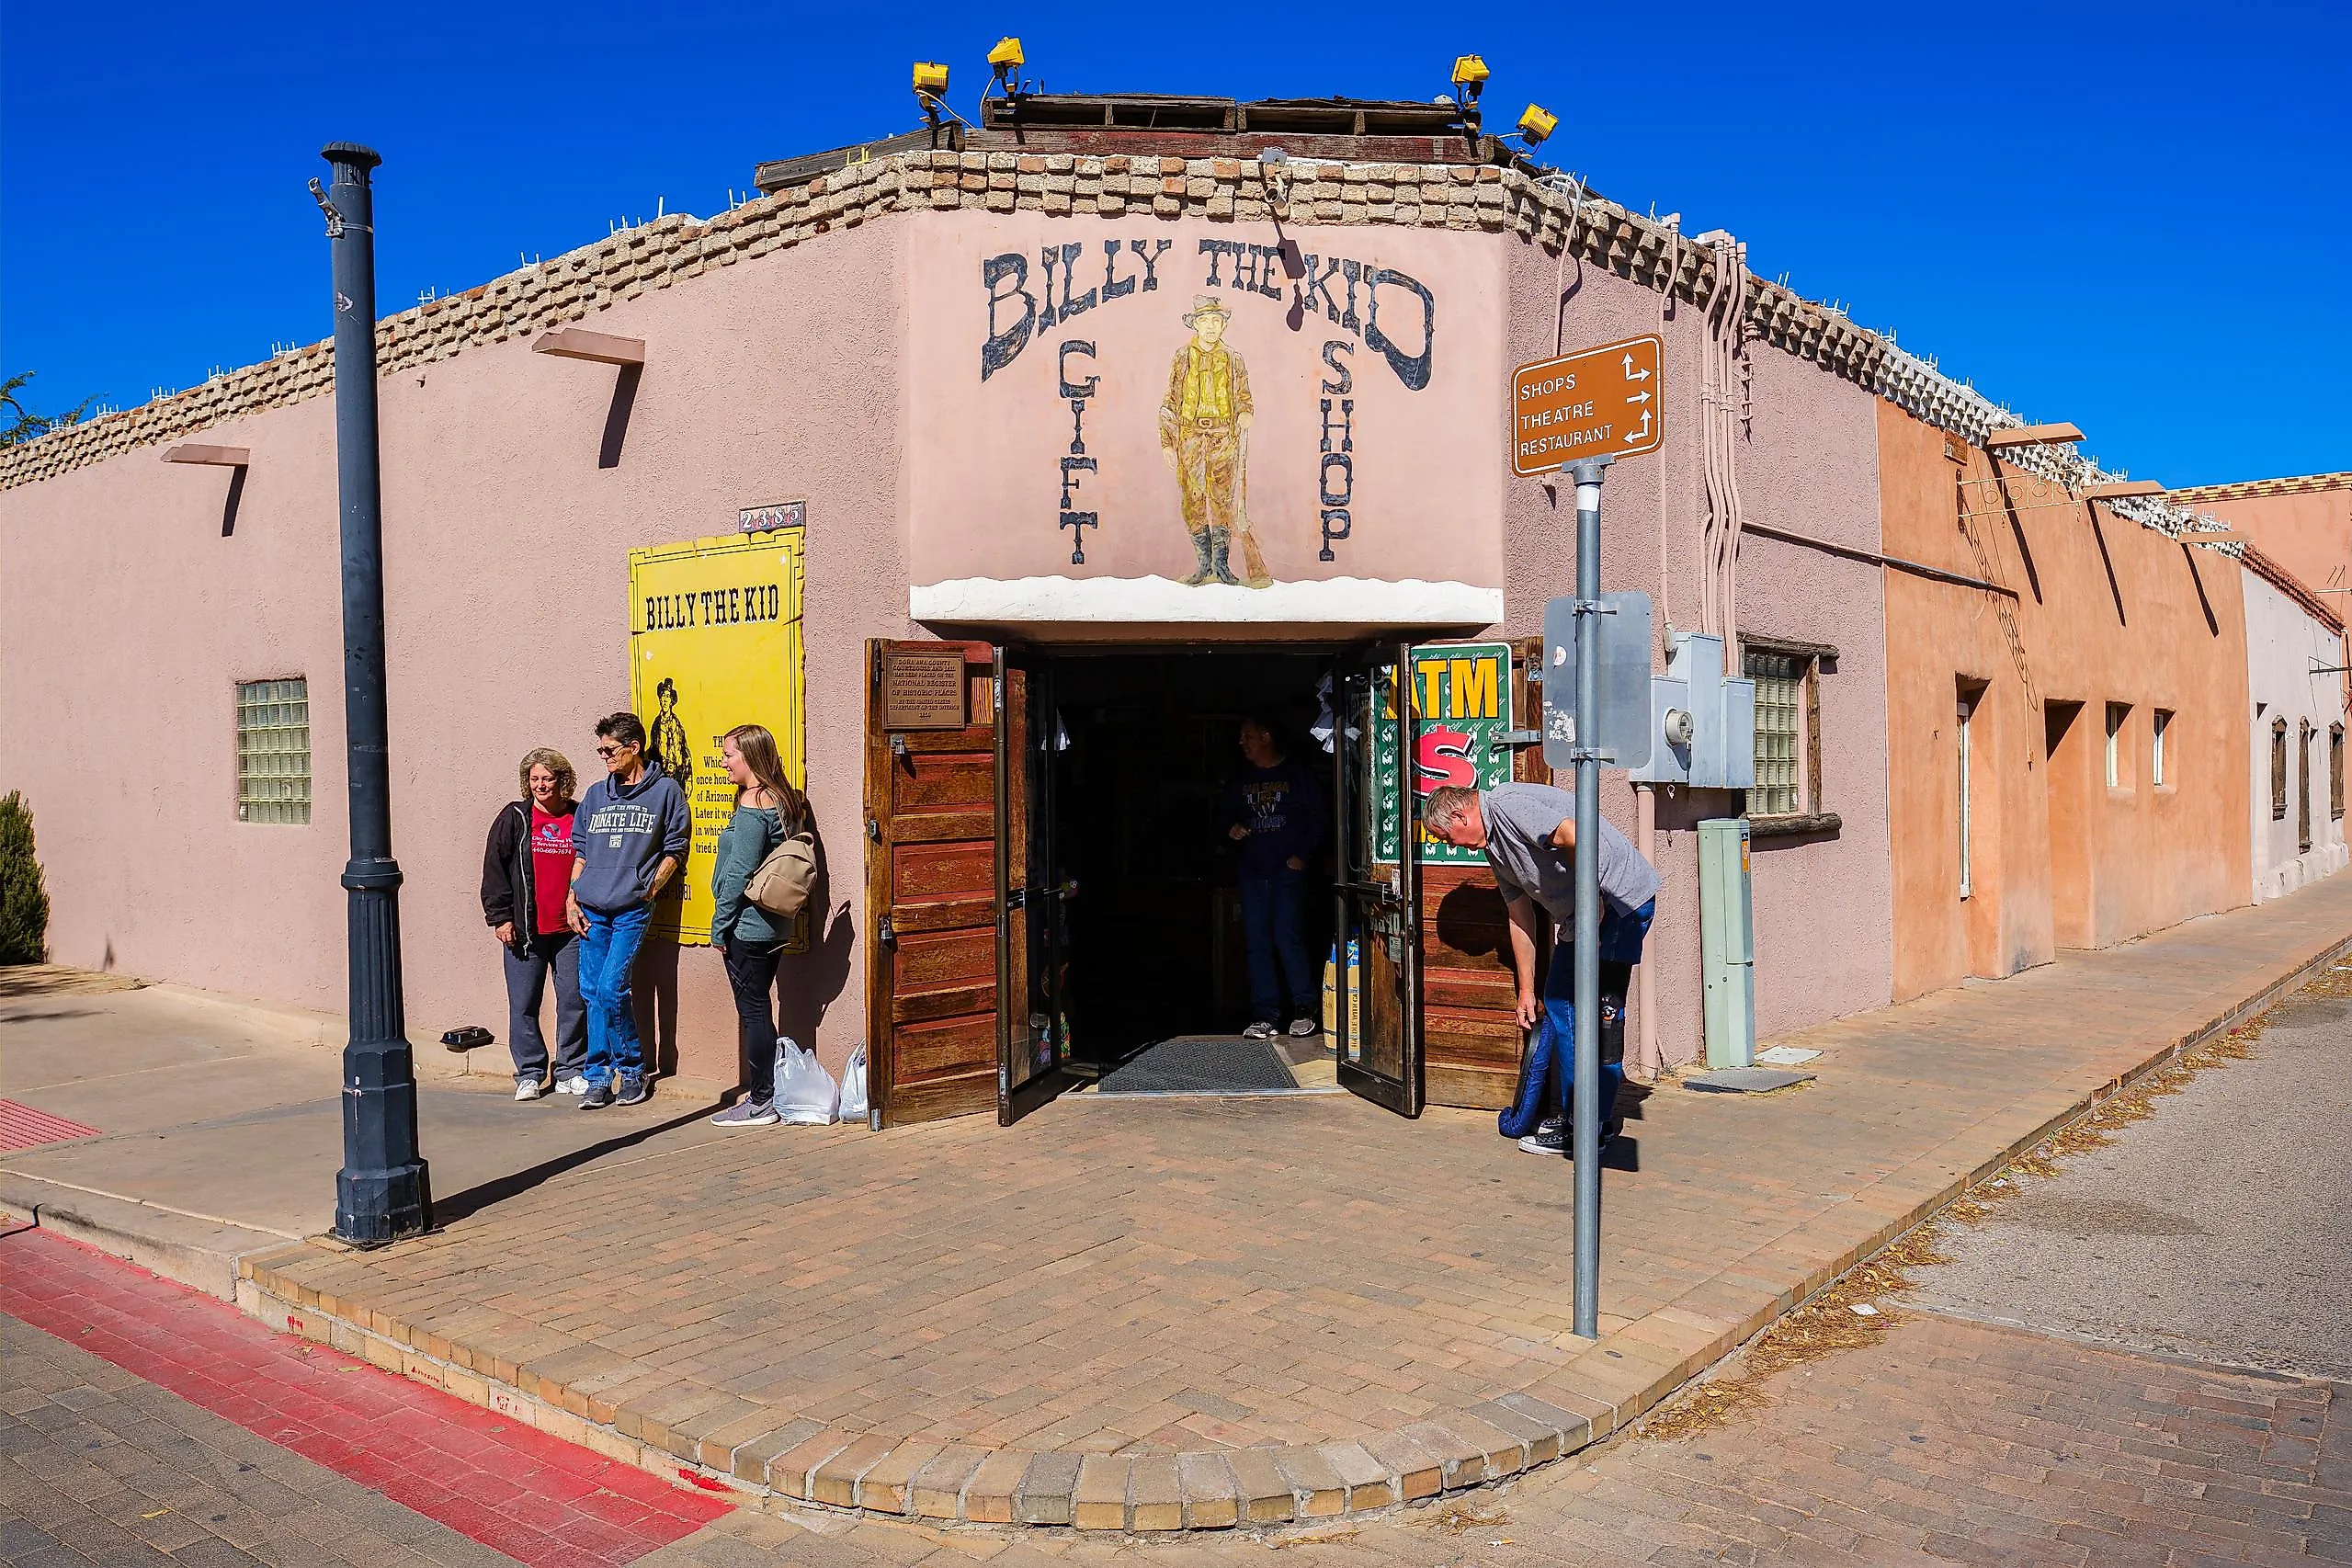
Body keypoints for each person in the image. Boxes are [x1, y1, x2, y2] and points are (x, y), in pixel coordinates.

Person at [1422, 782, 1660, 1157]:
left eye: (1448, 837)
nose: (1452, 846)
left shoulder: (1508, 807)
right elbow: (1520, 918)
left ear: (1459, 815)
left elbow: (1573, 833)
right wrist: (1526, 991)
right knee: (1562, 1002)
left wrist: (1594, 897)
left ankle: (1586, 1127)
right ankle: (1586, 1120)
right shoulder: (1495, 849)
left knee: (1596, 1014)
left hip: (1619, 903)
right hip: (1589, 912)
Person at [567, 712, 689, 1110]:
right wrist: (572, 897)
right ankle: (598, 1076)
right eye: (600, 750)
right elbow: (581, 850)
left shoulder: (665, 791)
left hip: (631, 909)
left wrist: (649, 888)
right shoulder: (595, 795)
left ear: (634, 747)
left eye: (610, 750)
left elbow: (675, 847)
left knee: (610, 988)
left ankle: (633, 1071)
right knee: (591, 992)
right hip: (591, 908)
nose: (604, 757)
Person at [705, 723, 808, 1129]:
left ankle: (761, 1100)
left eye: (730, 755)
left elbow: (737, 874)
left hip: (746, 927)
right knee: (760, 1008)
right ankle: (766, 1094)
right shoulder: (785, 798)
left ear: (750, 757)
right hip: (774, 927)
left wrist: (719, 926)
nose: (725, 761)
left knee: (754, 1013)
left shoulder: (753, 801)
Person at [478, 748, 586, 1099]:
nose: (540, 785)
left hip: (569, 929)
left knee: (573, 1000)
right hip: (525, 930)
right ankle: (530, 1072)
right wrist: (500, 917)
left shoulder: (578, 815)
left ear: (562, 781)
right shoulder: (515, 818)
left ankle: (570, 1069)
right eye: (534, 778)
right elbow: (494, 870)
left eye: (548, 778)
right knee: (524, 1003)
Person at [1219, 715, 1326, 1041]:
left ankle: (1304, 1008)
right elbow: (1223, 816)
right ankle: (1266, 1015)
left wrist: (1301, 857)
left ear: (1266, 736)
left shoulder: (1296, 774)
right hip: (1253, 872)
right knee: (1257, 944)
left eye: (1247, 736)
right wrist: (1231, 830)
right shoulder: (1241, 779)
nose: (1242, 742)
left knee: (1288, 938)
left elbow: (1319, 817)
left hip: (1286, 872)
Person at [1157, 295, 1253, 586]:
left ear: (1223, 326)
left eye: (1216, 321)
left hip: (1224, 437)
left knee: (1222, 499)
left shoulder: (1234, 359)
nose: (1211, 326)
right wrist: (1167, 442)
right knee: (1194, 499)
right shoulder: (1182, 357)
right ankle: (1204, 564)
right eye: (1205, 321)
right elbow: (1169, 403)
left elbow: (1244, 397)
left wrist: (1246, 413)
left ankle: (1221, 565)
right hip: (1190, 437)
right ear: (1195, 324)